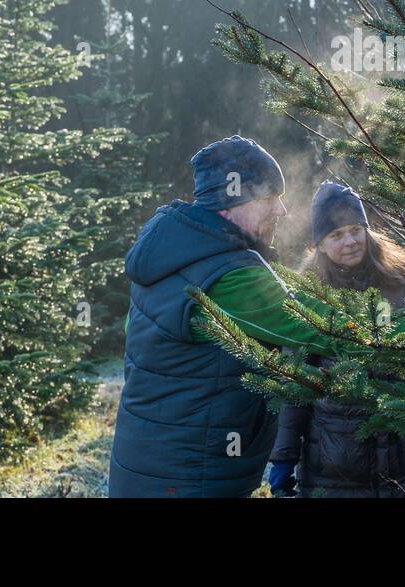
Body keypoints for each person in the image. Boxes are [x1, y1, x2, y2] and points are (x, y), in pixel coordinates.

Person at [109, 136, 372, 498]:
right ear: (230, 201)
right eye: (268, 198)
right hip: (189, 476)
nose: (280, 210)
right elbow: (318, 327)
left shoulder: (172, 255)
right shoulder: (226, 274)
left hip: (149, 463)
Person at [266, 181, 405, 498]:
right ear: (319, 243)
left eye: (355, 229)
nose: (349, 241)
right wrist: (283, 458)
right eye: (336, 235)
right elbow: (297, 382)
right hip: (335, 466)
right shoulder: (309, 295)